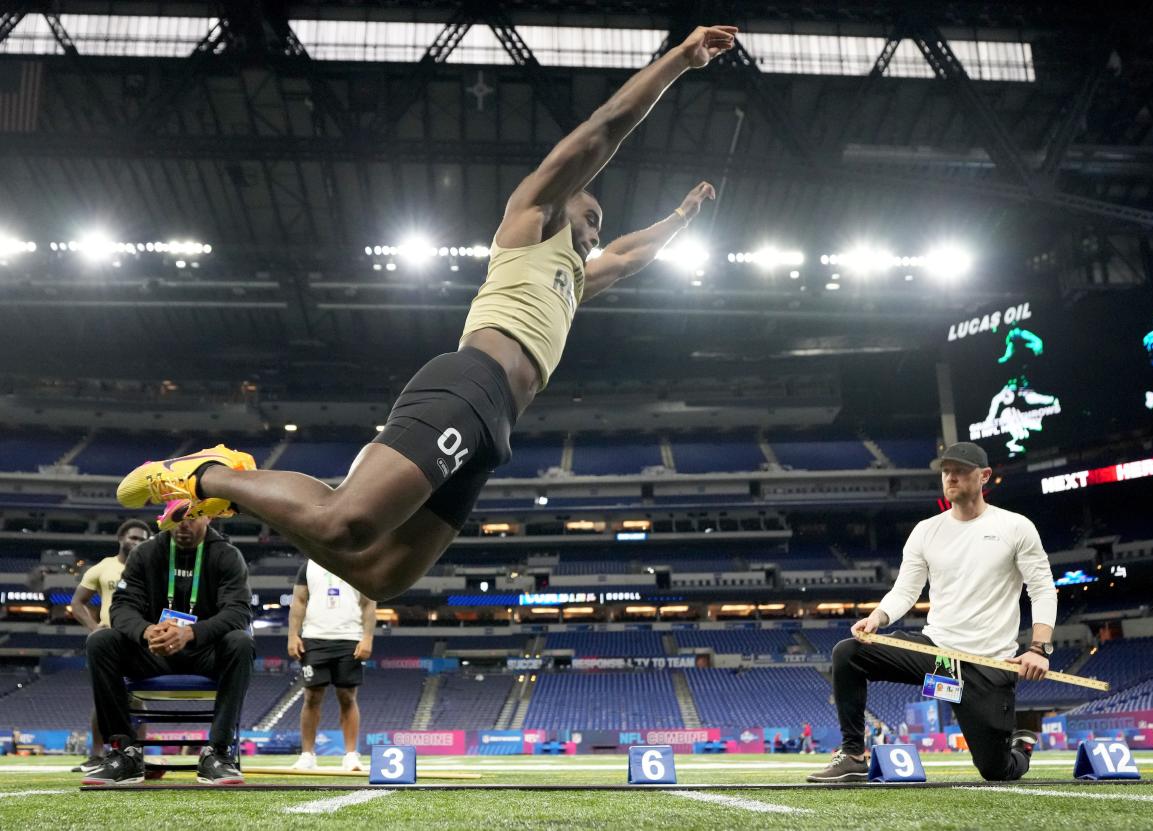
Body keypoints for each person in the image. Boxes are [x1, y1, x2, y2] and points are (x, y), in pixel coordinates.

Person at [114, 25, 739, 601]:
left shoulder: (574, 279)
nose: (598, 232)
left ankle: (243, 494)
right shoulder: (531, 223)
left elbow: (631, 256)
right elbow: (606, 127)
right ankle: (210, 475)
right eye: (592, 216)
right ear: (560, 205)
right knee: (346, 520)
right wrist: (682, 60)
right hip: (470, 383)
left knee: (380, 575)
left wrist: (684, 217)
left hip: (496, 428)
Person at [807, 442, 1056, 783]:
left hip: (988, 665)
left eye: (960, 471)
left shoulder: (1015, 527)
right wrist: (878, 617)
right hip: (936, 655)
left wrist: (1039, 649)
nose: (951, 477)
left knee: (995, 771)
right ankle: (853, 754)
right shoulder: (926, 530)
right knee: (849, 654)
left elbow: (1042, 588)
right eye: (946, 471)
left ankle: (1021, 749)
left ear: (984, 476)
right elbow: (906, 590)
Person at [81, 516, 254, 786]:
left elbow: (238, 612)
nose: (182, 525)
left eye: (191, 518)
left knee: (241, 642)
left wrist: (191, 633)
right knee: (100, 642)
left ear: (207, 515)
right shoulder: (146, 553)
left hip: (204, 653)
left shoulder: (227, 555)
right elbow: (122, 607)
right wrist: (146, 631)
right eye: (176, 518)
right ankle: (124, 752)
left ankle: (217, 753)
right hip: (153, 650)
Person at [69, 519, 152, 773]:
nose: (137, 543)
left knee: (137, 699)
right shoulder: (103, 567)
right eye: (133, 538)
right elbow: (77, 603)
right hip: (109, 642)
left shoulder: (150, 569)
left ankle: (135, 753)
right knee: (103, 697)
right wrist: (94, 629)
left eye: (143, 539)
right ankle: (96, 754)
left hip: (139, 639)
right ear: (121, 539)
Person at [287, 559, 376, 771]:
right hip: (314, 638)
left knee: (347, 696)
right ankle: (307, 755)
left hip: (350, 638)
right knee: (312, 696)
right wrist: (292, 635)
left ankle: (351, 755)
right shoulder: (308, 567)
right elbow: (299, 601)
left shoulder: (360, 564)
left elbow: (369, 603)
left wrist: (368, 638)